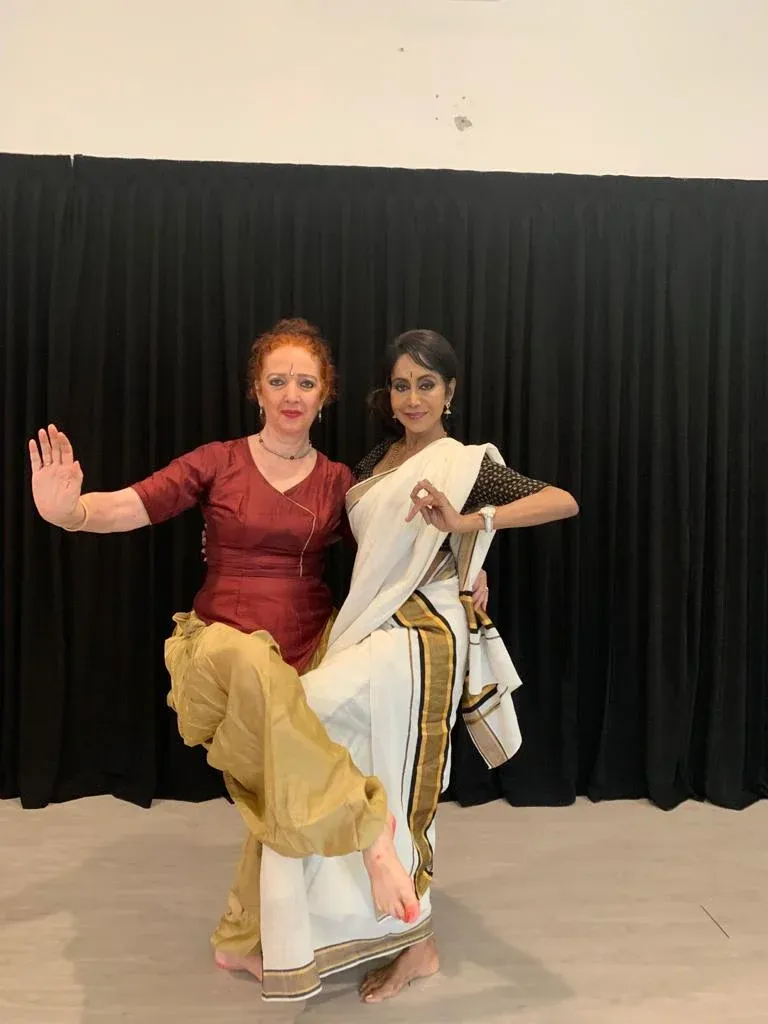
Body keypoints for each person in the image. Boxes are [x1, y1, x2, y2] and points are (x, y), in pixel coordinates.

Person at [26, 318, 427, 976]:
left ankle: (238, 943)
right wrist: (69, 512)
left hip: (307, 655)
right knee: (249, 658)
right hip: (218, 652)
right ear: (256, 390)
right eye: (278, 381)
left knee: (276, 779)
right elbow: (133, 505)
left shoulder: (336, 481)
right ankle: (369, 833)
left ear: (324, 394)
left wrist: (465, 573)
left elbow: (391, 550)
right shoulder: (217, 461)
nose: (291, 394)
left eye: (306, 382)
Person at [253, 329, 579, 1004]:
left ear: (449, 391)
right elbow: (371, 545)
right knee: (348, 757)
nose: (412, 398)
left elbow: (561, 501)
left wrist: (468, 528)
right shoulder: (379, 458)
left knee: (390, 772)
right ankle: (361, 925)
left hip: (428, 632)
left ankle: (415, 943)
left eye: (426, 384)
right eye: (401, 385)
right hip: (373, 621)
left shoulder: (465, 462)